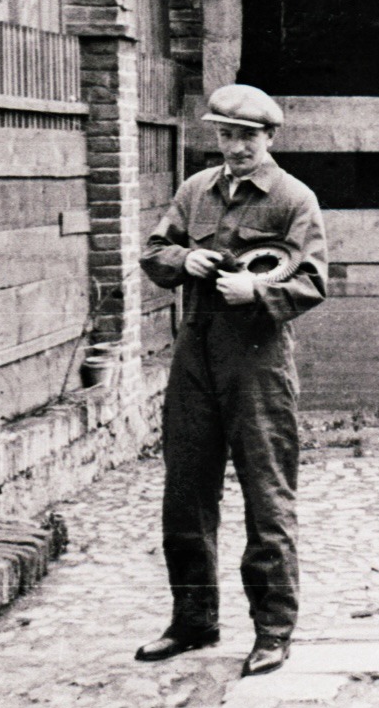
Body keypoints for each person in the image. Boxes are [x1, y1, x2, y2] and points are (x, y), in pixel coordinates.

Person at [138, 84, 328, 677]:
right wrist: (181, 261)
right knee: (185, 495)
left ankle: (273, 630)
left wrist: (259, 290)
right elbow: (155, 250)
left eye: (247, 136)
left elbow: (314, 280)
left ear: (269, 138)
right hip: (194, 357)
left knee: (267, 498)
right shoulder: (196, 190)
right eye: (226, 134)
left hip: (258, 364)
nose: (236, 146)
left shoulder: (294, 199)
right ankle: (193, 621)